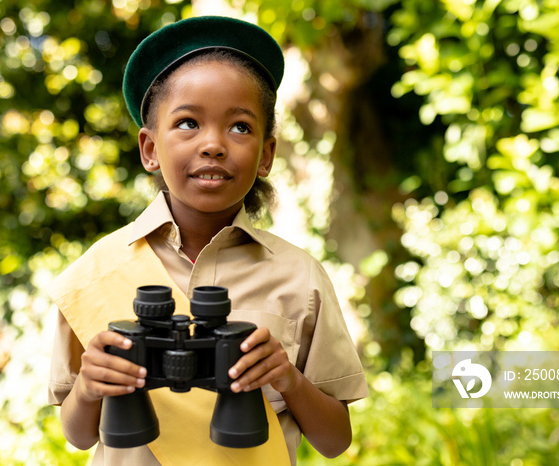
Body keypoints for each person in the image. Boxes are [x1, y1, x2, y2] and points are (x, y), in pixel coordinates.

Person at [47, 15, 368, 466]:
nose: (214, 144)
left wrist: (287, 380)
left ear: (266, 154)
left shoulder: (299, 276)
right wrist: (91, 385)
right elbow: (78, 436)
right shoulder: (96, 272)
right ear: (150, 149)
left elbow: (335, 441)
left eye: (240, 127)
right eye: (187, 123)